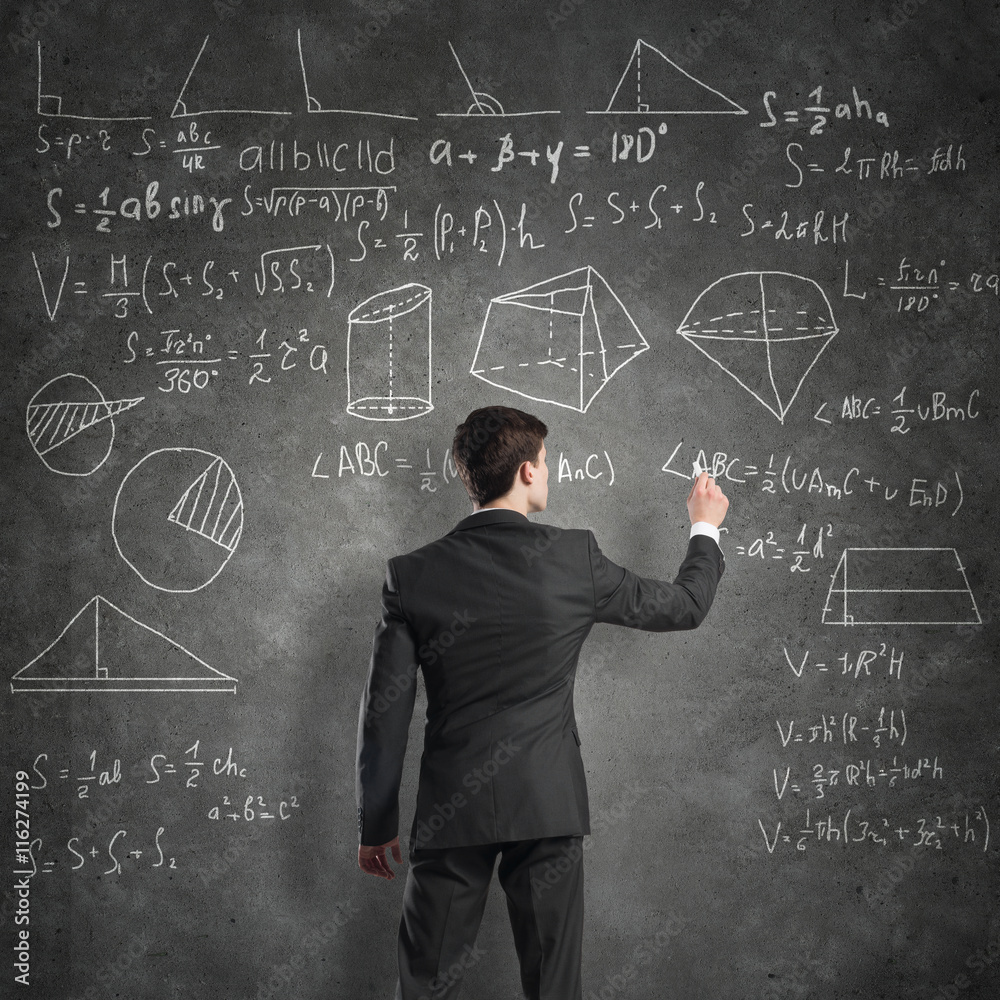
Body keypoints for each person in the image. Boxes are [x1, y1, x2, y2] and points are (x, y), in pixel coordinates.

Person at [356, 405, 728, 1000]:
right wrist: (704, 528)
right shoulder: (575, 558)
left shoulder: (412, 575)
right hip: (547, 806)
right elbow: (684, 607)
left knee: (424, 989)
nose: (549, 474)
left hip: (455, 813)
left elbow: (386, 712)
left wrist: (377, 825)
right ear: (527, 472)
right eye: (548, 463)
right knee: (554, 990)